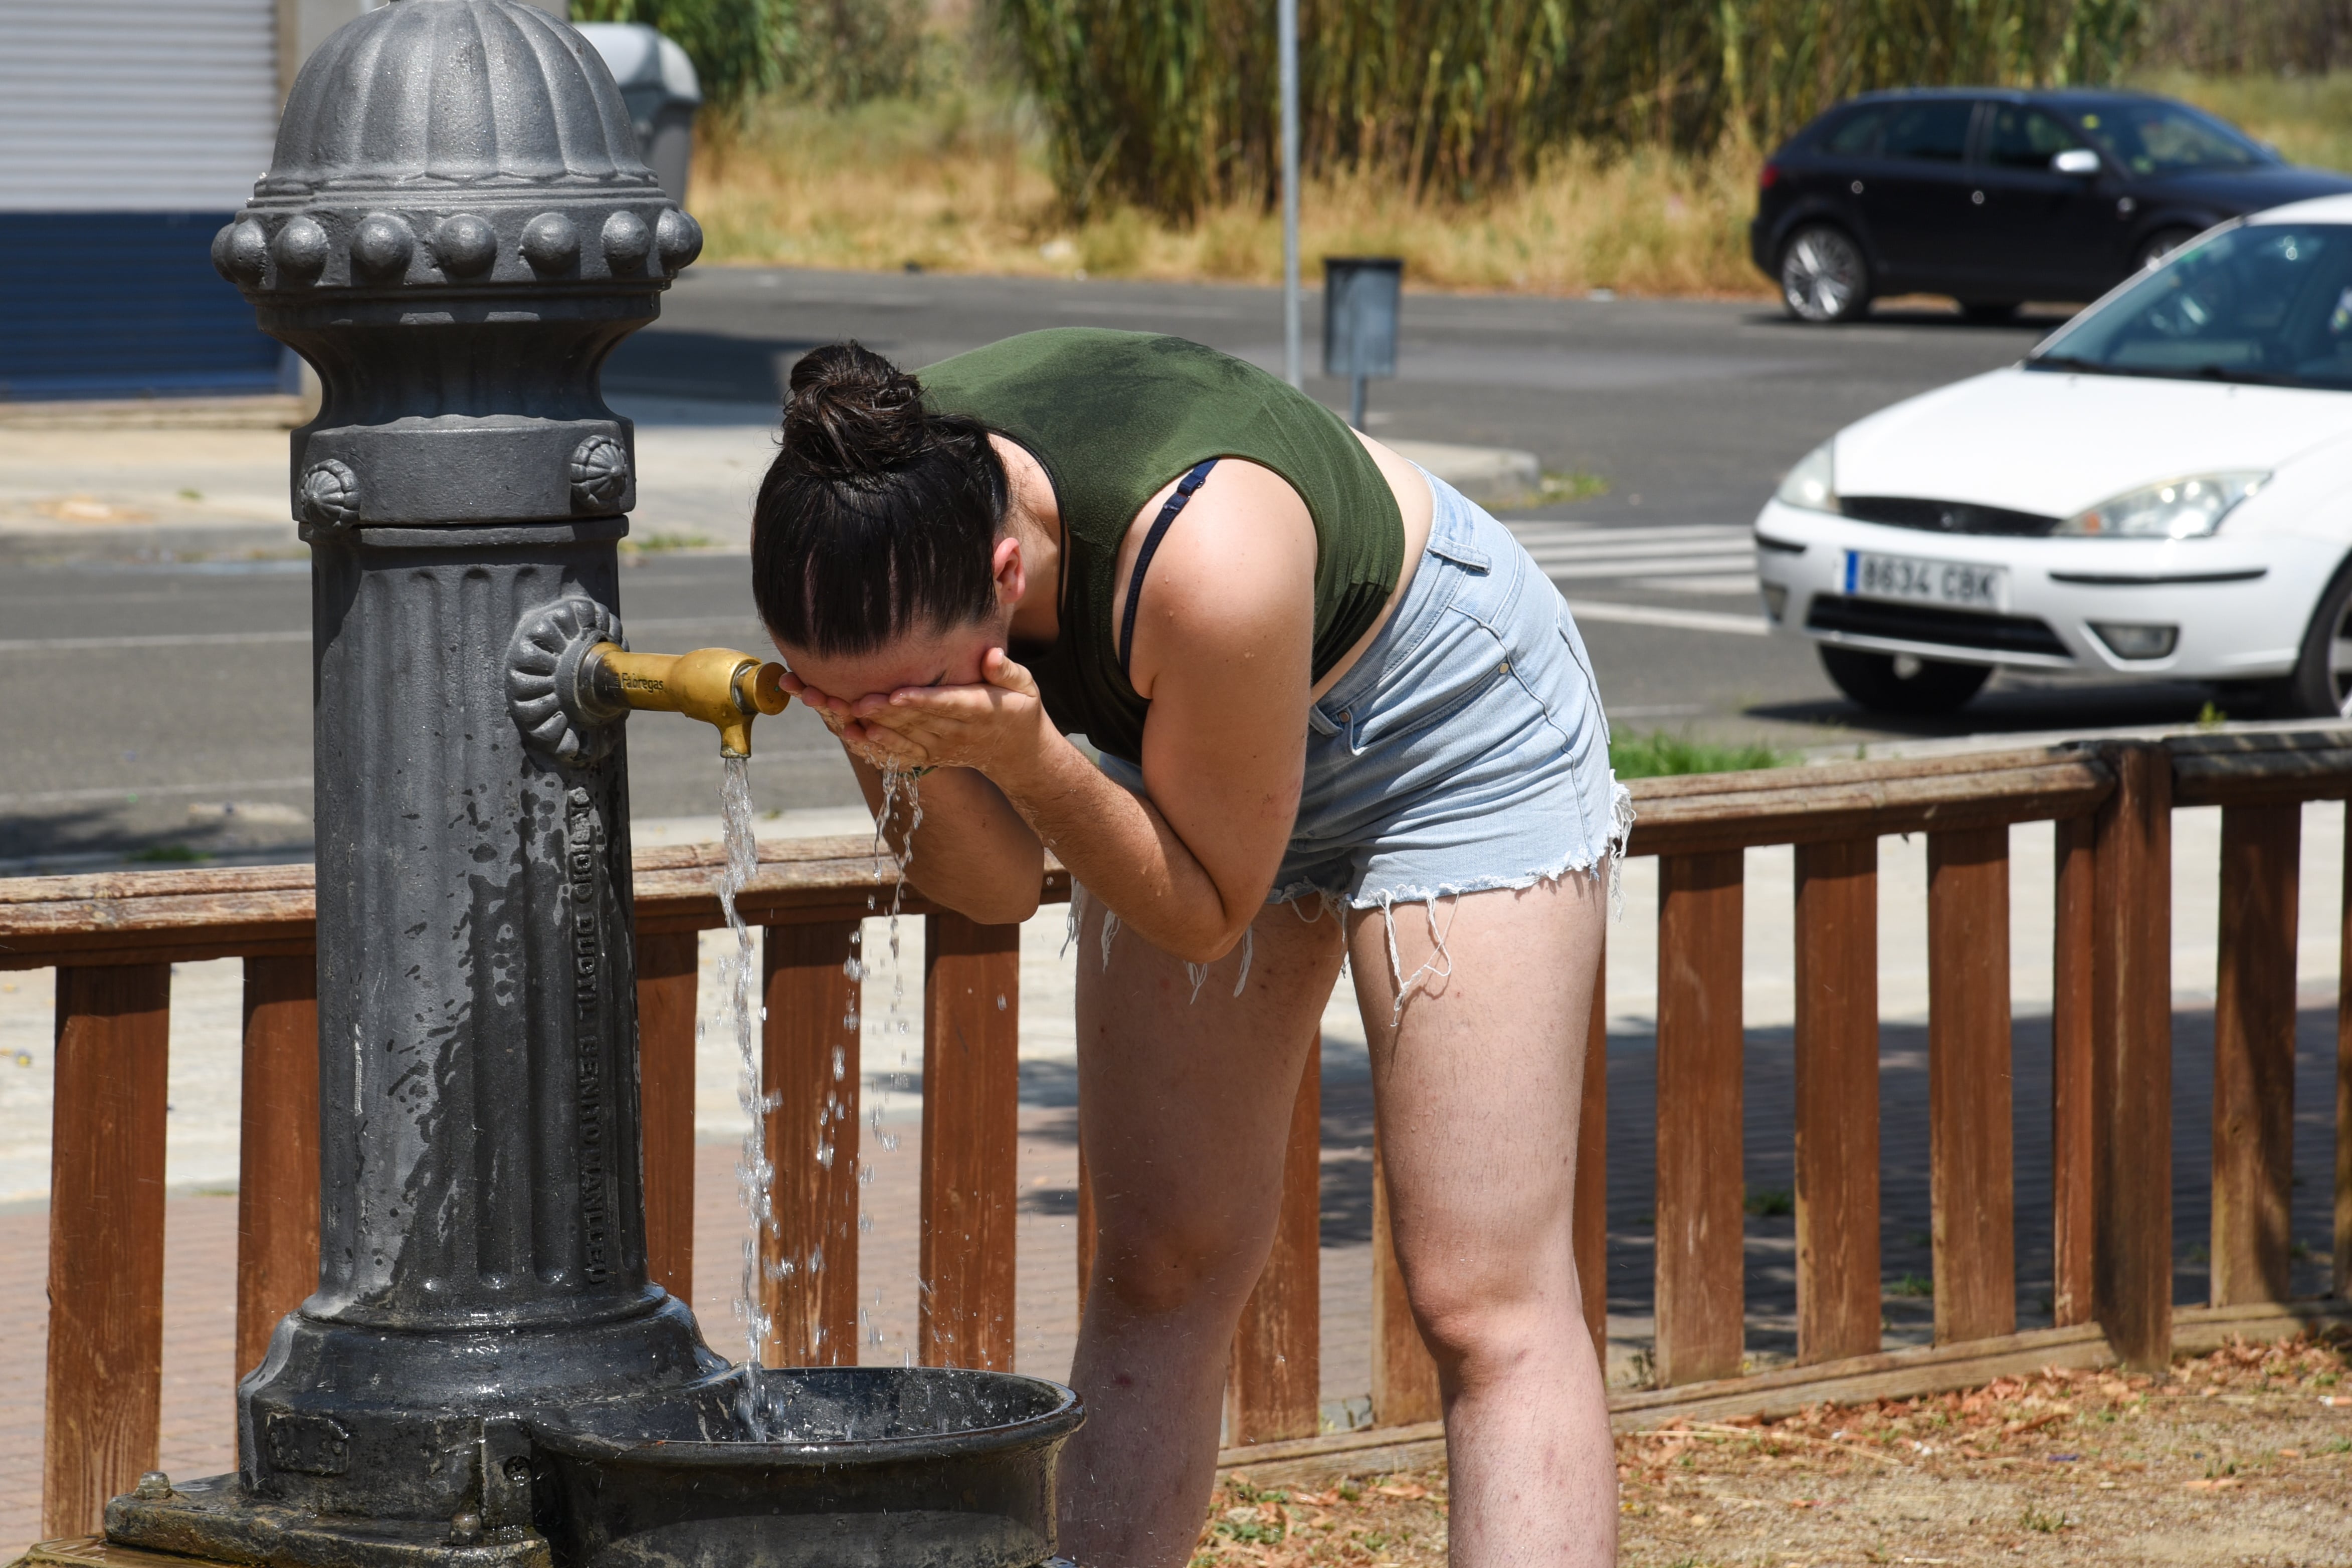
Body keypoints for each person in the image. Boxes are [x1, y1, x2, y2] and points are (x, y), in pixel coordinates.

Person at [749, 329, 1624, 1567]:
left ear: (1006, 574)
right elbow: (991, 890)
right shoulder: (868, 514)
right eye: (846, 700)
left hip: (1443, 724)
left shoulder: (1207, 557)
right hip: (1197, 731)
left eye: (914, 697)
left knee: (1479, 1294)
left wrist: (1026, 754)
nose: (891, 724)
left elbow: (1211, 911)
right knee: (1162, 1255)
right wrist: (888, 735)